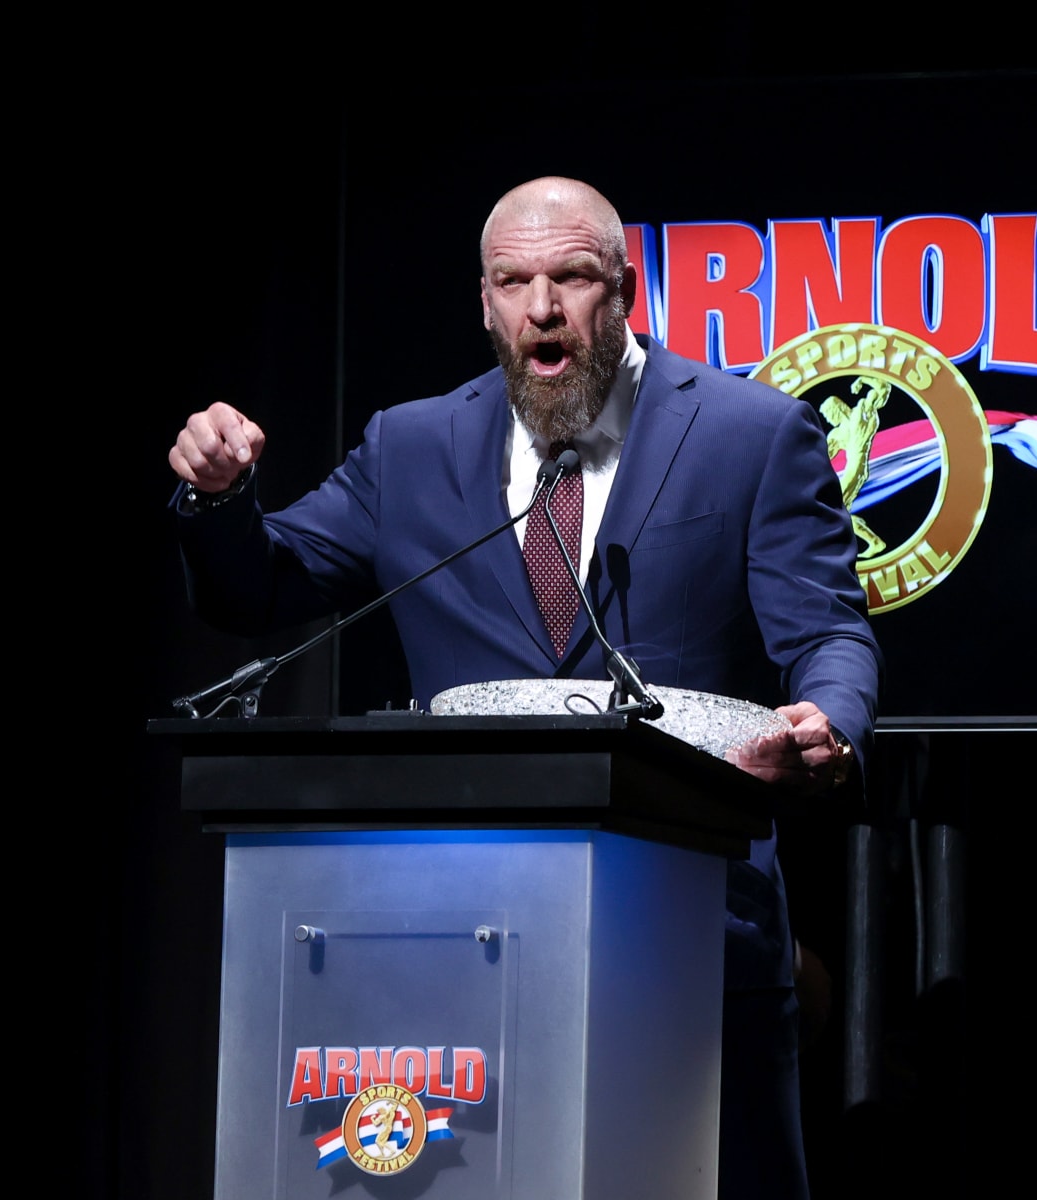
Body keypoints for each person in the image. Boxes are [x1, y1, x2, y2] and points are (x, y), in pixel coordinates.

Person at [169, 176, 881, 1199]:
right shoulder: (410, 447)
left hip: (694, 929)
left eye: (571, 277)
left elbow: (826, 632)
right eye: (514, 281)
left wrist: (829, 721)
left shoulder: (749, 434)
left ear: (625, 290)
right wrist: (218, 499)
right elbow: (261, 588)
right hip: (460, 940)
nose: (542, 306)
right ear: (486, 302)